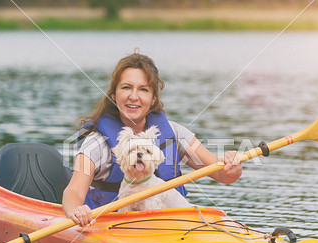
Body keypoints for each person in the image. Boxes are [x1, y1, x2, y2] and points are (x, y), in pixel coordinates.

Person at [62, 53, 242, 227]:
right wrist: (76, 212)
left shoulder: (175, 134)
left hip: (170, 226)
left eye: (143, 89)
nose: (134, 96)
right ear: (114, 95)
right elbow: (74, 191)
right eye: (126, 87)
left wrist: (231, 166)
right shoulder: (96, 143)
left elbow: (220, 173)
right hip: (109, 227)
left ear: (153, 98)